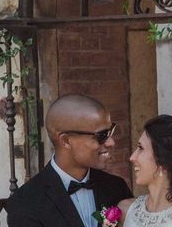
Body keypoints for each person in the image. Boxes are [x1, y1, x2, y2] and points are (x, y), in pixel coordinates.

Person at [7, 94, 133, 227]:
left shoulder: (116, 187)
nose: (111, 142)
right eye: (101, 136)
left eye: (110, 131)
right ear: (66, 141)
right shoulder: (26, 202)